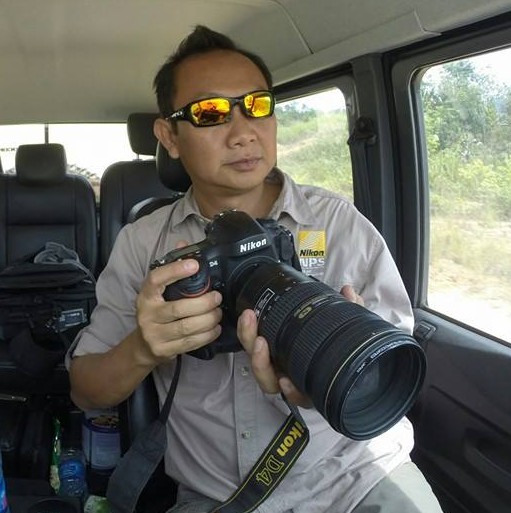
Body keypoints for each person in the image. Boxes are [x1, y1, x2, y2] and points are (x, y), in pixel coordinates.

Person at [68, 25, 443, 513]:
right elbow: (86, 391)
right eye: (210, 112)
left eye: (257, 105)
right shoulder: (144, 244)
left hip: (357, 477)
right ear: (169, 137)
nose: (244, 132)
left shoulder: (335, 222)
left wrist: (334, 366)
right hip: (218, 497)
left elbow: (394, 361)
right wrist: (144, 346)